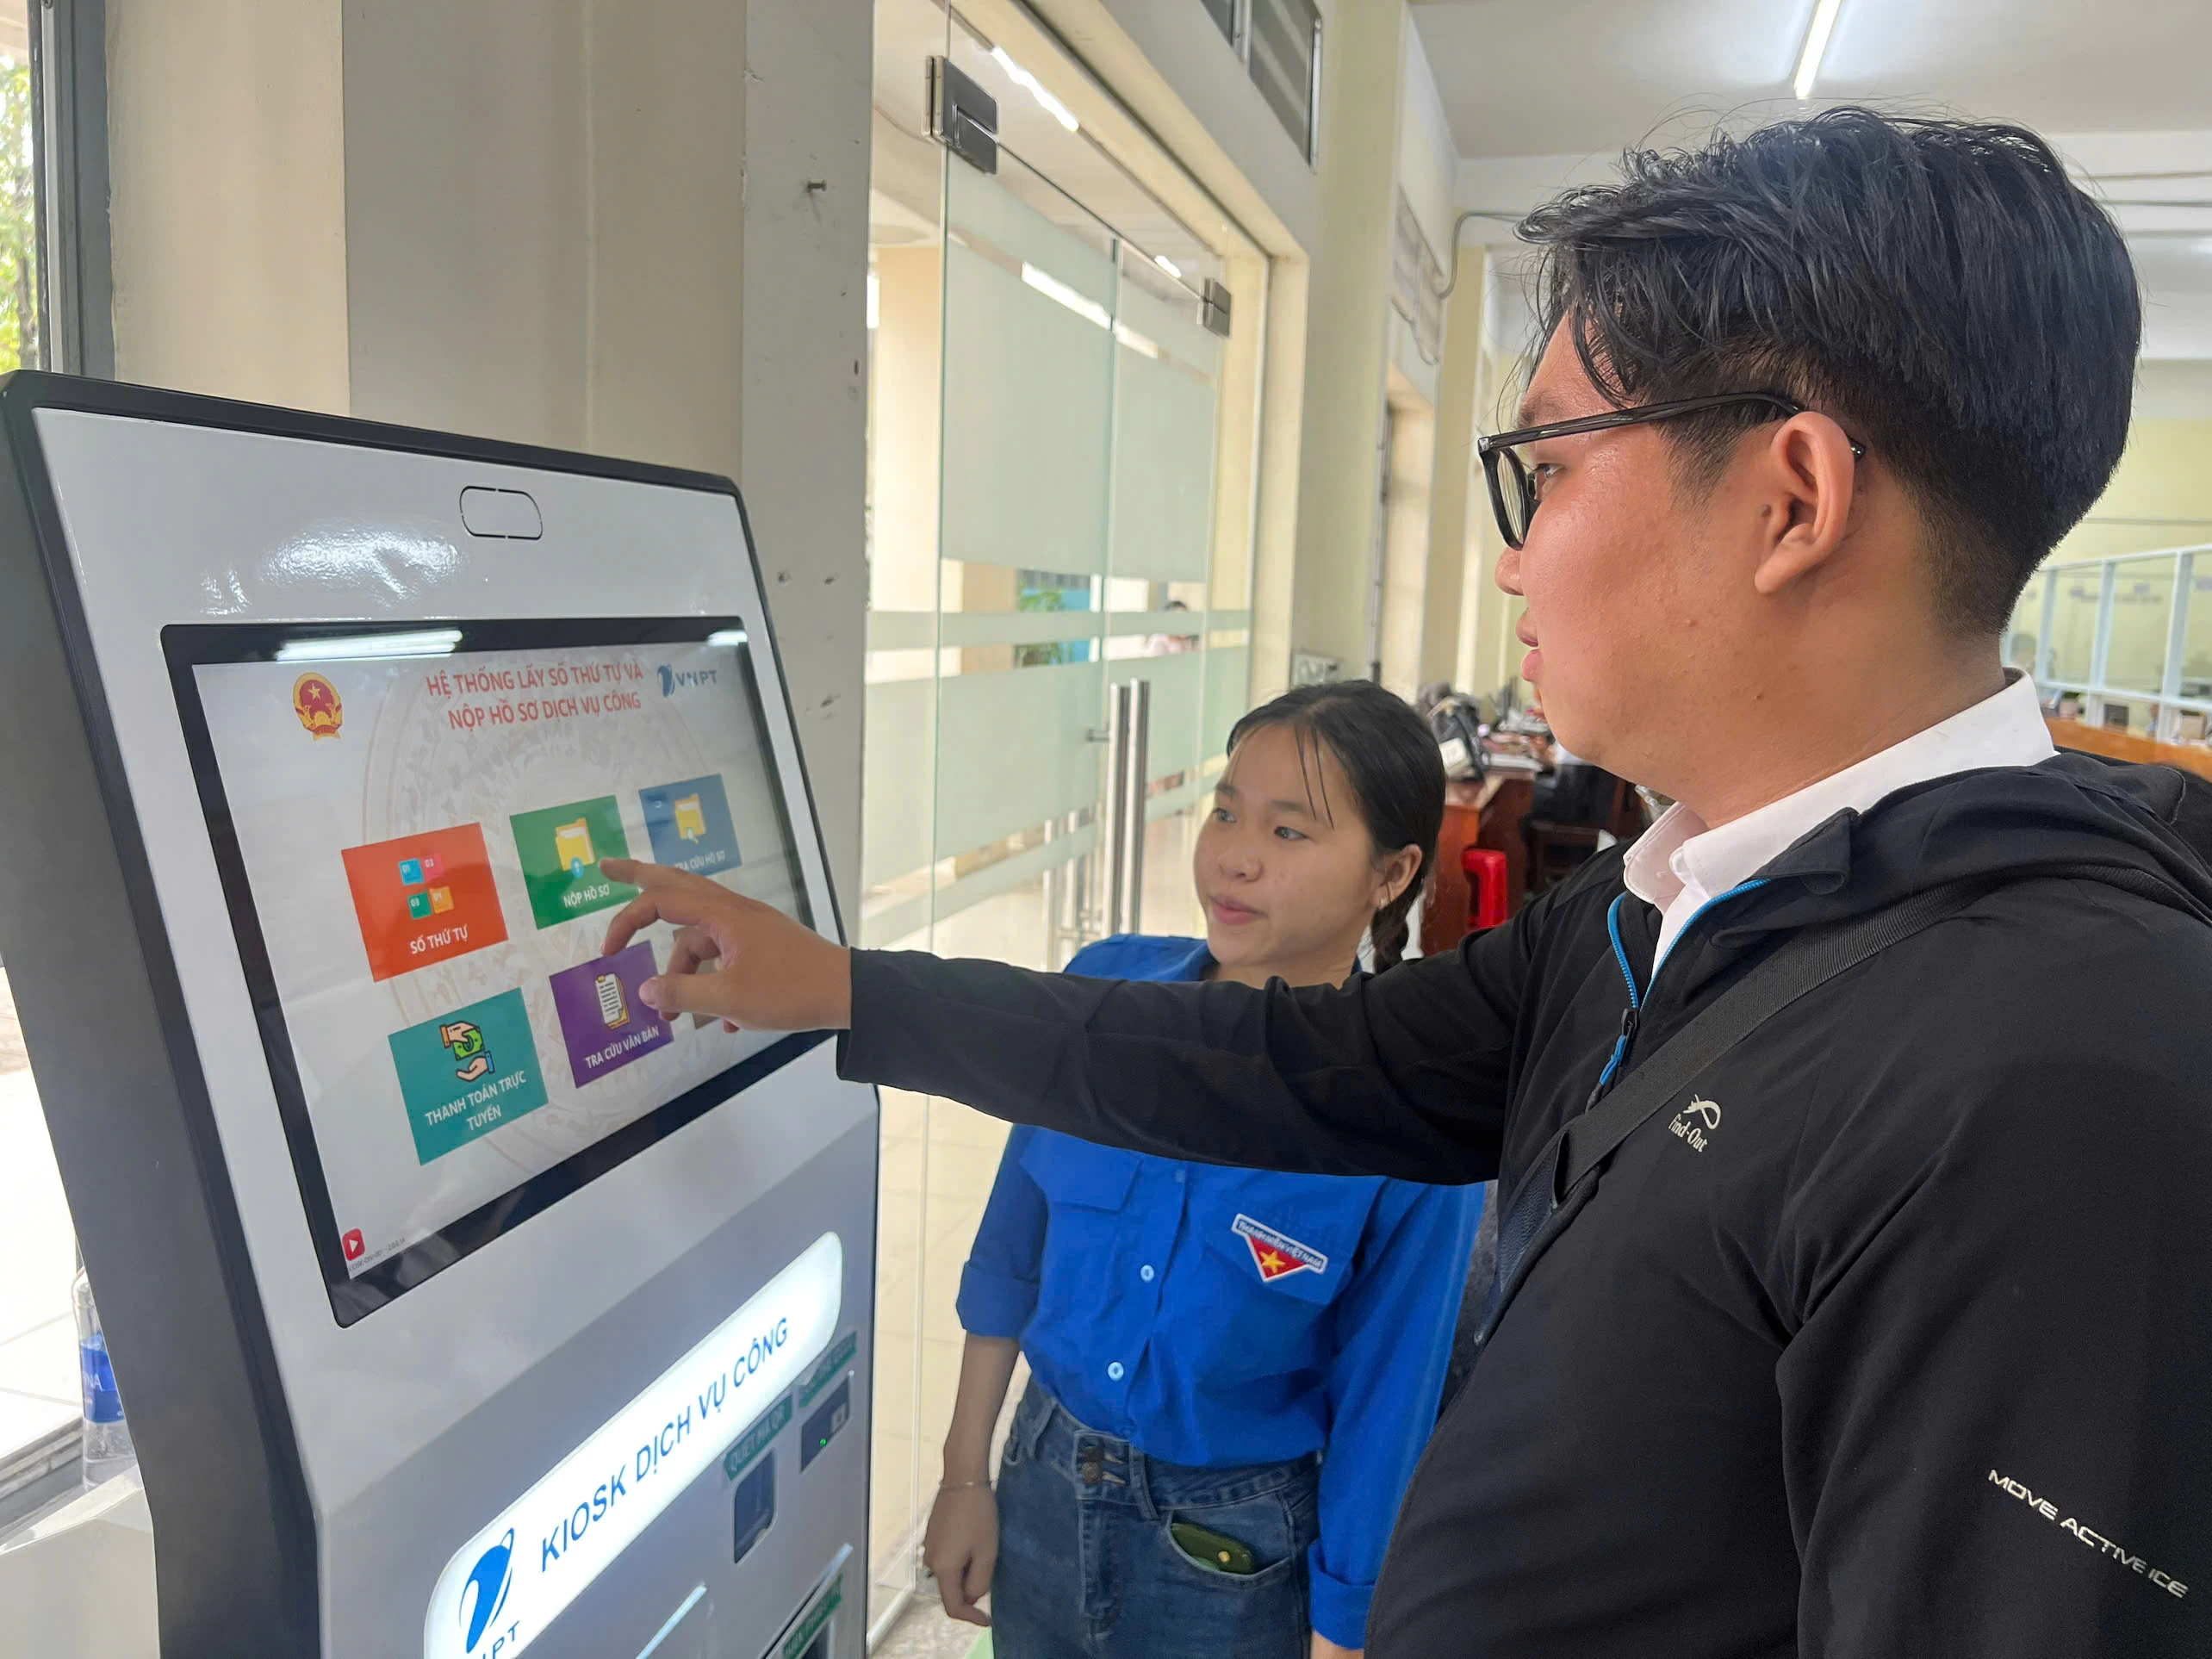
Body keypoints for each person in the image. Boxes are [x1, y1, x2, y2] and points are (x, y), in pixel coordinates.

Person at [600, 109, 2212, 1657]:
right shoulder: (1660, 906)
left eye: (1547, 471)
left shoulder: (2063, 1081)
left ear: (1790, 501)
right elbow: (1281, 1066)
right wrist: (850, 991)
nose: (1511, 557)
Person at [919, 681, 1477, 1659]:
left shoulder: (1413, 1112)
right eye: (1225, 811)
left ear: (1390, 874)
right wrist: (964, 1474)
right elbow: (1010, 1251)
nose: (1235, 856)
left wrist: (1342, 1634)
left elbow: (1389, 1398)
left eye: (1289, 831)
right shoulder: (1104, 993)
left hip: (1235, 1547)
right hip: (1041, 1477)